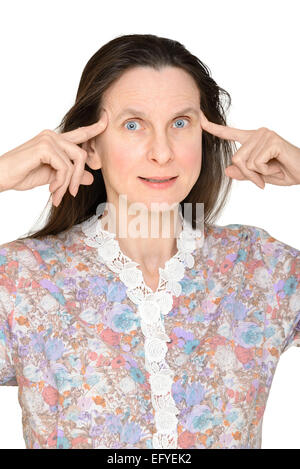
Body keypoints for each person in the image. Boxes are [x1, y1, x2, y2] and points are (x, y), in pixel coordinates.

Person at [0, 33, 299, 450]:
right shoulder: (22, 278)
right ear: (91, 147)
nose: (162, 152)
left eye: (181, 123)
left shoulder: (260, 268)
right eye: (133, 124)